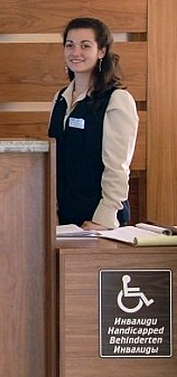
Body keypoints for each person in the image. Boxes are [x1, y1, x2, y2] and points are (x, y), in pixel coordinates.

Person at [48, 17, 138, 230]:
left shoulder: (117, 100)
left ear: (101, 51)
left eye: (85, 46)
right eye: (70, 45)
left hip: (99, 220)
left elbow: (117, 168)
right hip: (64, 218)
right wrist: (51, 210)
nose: (75, 52)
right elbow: (54, 161)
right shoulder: (60, 98)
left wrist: (103, 219)